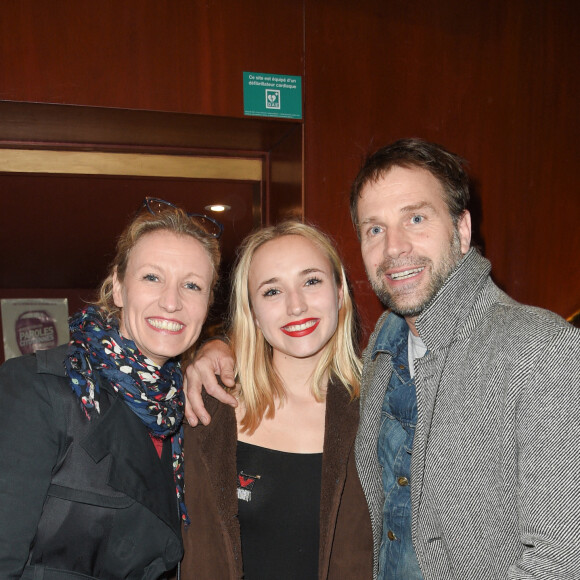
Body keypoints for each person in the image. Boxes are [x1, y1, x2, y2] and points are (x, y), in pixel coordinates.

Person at [185, 139, 580, 579]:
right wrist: (215, 349)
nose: (394, 247)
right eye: (375, 229)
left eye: (415, 218)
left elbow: (562, 559)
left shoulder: (541, 346)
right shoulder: (382, 356)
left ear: (462, 229)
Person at [0, 197, 221, 579]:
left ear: (207, 304)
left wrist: (222, 345)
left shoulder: (184, 408)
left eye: (192, 285)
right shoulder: (39, 388)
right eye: (152, 277)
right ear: (118, 288)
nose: (171, 302)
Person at [180, 221, 373, 579]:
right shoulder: (207, 408)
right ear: (252, 311)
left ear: (340, 291)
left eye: (311, 281)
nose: (296, 306)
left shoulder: (382, 412)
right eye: (272, 291)